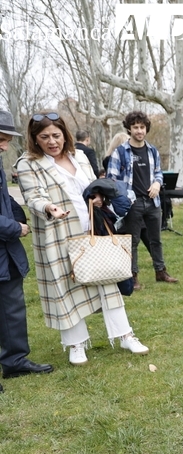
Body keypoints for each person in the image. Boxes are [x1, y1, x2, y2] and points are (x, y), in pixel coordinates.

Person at [16, 112, 149, 366]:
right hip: (57, 235)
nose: (52, 142)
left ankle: (125, 335)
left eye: (56, 135)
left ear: (64, 134)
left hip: (92, 230)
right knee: (67, 288)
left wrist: (100, 199)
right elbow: (32, 196)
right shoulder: (28, 162)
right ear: (35, 139)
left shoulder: (79, 156)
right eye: (44, 137)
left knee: (108, 282)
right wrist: (48, 207)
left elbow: (93, 187)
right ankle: (76, 344)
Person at [0, 109, 53, 387]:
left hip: (5, 251)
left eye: (7, 140)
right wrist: (13, 228)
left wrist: (19, 217)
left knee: (12, 307)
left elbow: (4, 198)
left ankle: (15, 361)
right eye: (1, 139)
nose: (4, 146)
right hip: (5, 238)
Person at [106, 111, 178, 289]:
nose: (139, 130)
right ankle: (133, 277)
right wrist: (124, 196)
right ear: (129, 129)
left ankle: (160, 271)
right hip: (133, 203)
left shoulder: (152, 150)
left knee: (156, 239)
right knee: (133, 241)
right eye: (135, 127)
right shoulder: (120, 152)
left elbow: (159, 172)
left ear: (146, 129)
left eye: (142, 127)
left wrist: (157, 183)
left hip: (153, 202)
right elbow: (111, 178)